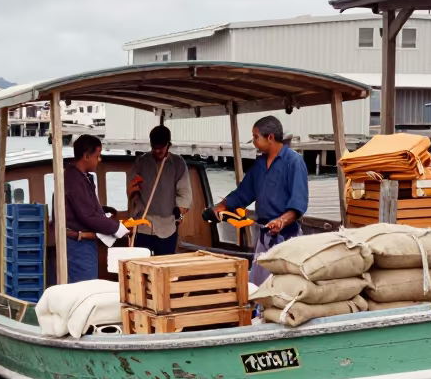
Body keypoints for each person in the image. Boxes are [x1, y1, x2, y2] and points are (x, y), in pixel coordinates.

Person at [215, 115, 308, 284]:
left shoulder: (293, 162)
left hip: (287, 237)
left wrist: (280, 221)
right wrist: (221, 206)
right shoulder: (259, 164)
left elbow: (298, 203)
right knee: (258, 286)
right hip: (264, 234)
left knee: (282, 286)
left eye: (256, 137)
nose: (253, 141)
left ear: (270, 137)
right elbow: (243, 193)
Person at [61, 134, 128, 283]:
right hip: (78, 245)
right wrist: (117, 228)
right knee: (84, 286)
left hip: (85, 244)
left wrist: (102, 210)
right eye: (97, 156)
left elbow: (85, 206)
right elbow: (87, 215)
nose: (99, 159)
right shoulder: (74, 179)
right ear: (86, 156)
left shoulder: (82, 176)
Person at [127, 125, 192, 256]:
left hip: (167, 227)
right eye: (154, 147)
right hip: (142, 226)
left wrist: (179, 213)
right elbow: (132, 188)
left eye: (161, 147)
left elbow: (185, 194)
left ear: (168, 145)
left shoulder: (178, 163)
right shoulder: (141, 162)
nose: (157, 151)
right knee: (141, 266)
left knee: (163, 267)